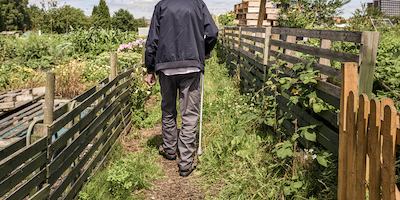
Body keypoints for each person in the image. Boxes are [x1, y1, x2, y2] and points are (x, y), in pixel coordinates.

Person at [144, 0, 218, 177]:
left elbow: (152, 39)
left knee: (168, 109)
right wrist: (204, 52)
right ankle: (185, 162)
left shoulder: (162, 5)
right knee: (189, 114)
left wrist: (149, 68)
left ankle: (170, 150)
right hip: (192, 65)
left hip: (165, 66)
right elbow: (213, 32)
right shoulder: (197, 4)